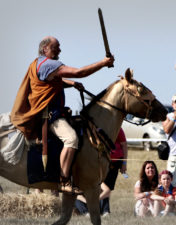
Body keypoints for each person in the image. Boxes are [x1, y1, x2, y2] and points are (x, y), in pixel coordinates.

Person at [10, 36, 114, 194]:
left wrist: (71, 84)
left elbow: (52, 82)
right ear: (45, 49)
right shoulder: (50, 64)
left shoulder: (39, 64)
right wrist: (103, 63)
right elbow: (79, 72)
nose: (59, 50)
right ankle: (64, 181)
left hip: (54, 113)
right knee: (71, 138)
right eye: (55, 47)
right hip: (50, 116)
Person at [74, 128, 128, 216]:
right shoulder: (97, 127)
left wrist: (124, 163)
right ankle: (96, 211)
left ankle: (105, 210)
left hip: (114, 162)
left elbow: (124, 145)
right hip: (101, 161)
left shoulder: (117, 129)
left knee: (106, 186)